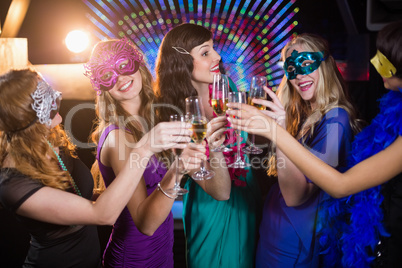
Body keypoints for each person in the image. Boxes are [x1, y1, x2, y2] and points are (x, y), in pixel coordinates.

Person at [227, 20, 402, 267]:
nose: (299, 74)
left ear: (325, 65)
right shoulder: (306, 115)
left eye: (307, 63)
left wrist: (276, 132)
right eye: (291, 67)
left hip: (293, 244)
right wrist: (280, 126)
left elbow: (299, 195)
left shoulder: (335, 118)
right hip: (274, 232)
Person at [0, 68, 189, 267]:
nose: (58, 97)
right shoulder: (13, 184)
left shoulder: (49, 141)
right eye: (48, 100)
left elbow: (77, 196)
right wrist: (143, 149)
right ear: (29, 118)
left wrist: (132, 194)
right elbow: (102, 215)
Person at [84, 37, 205, 268]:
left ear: (138, 63)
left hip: (163, 254)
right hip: (134, 258)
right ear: (102, 87)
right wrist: (177, 170)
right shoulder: (117, 137)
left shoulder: (150, 120)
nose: (120, 79)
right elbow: (145, 224)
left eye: (123, 66)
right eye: (108, 76)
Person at [154, 23, 262, 268]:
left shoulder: (228, 89)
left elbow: (247, 141)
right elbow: (217, 190)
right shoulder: (173, 113)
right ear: (181, 63)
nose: (218, 56)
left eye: (213, 49)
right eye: (205, 52)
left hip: (246, 194)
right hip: (210, 206)